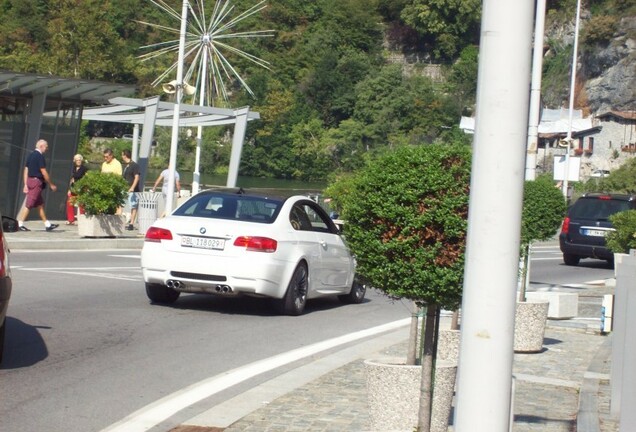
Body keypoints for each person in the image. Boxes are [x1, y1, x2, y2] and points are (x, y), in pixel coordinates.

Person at [16, 139, 59, 232]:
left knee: (39, 204)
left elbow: (26, 170)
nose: (47, 149)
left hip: (30, 181)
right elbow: (43, 171)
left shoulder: (31, 155)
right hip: (36, 182)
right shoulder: (39, 156)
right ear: (41, 146)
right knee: (29, 204)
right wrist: (51, 184)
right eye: (46, 147)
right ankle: (20, 224)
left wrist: (25, 184)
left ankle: (47, 224)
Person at [66, 154, 88, 225]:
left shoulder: (84, 169)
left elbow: (87, 178)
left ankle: (82, 219)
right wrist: (69, 189)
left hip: (81, 189)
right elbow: (71, 179)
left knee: (81, 204)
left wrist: (86, 187)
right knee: (70, 203)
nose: (78, 161)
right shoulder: (73, 168)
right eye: (77, 160)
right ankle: (71, 219)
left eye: (79, 160)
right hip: (73, 188)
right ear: (74, 161)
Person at [121, 149, 141, 231]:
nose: (121, 157)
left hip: (133, 189)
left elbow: (137, 177)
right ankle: (120, 221)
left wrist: (132, 187)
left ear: (125, 155)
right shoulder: (127, 166)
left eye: (122, 155)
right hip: (125, 188)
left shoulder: (134, 165)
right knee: (121, 204)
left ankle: (131, 223)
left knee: (133, 206)